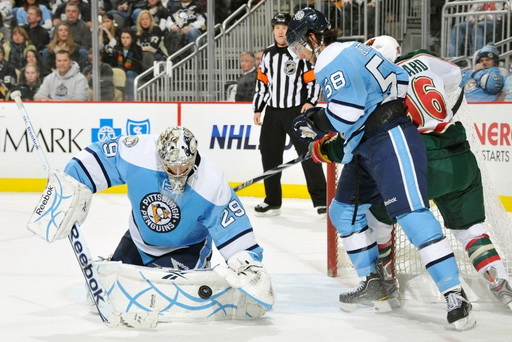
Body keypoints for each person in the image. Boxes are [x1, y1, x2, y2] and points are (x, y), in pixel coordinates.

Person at [286, 8, 475, 330]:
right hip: (369, 142)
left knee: (412, 214)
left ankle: (454, 294)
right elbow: (399, 83)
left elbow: (344, 115)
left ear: (312, 37)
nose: (298, 53)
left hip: (390, 139)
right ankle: (375, 283)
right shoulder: (358, 48)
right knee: (343, 212)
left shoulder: (329, 60)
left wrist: (312, 121)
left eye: (297, 45)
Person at [32, 126, 274, 318]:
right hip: (138, 239)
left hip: (185, 248)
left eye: (184, 167)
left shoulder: (211, 181)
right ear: (159, 156)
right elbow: (97, 159)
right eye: (171, 166)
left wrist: (247, 260)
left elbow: (232, 225)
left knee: (167, 307)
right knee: (110, 286)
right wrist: (69, 186)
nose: (178, 172)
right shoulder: (137, 152)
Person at [365, 35, 512, 311]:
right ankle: (500, 283)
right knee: (470, 230)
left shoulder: (377, 83)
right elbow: (455, 76)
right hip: (460, 156)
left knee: (377, 216)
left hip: (421, 160)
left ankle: (384, 286)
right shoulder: (422, 58)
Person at [252, 12, 326, 216]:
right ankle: (272, 200)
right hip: (273, 113)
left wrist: (310, 102)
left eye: (284, 28)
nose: (280, 31)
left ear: (290, 30)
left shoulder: (299, 52)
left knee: (308, 154)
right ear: (272, 30)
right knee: (269, 154)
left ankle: (321, 200)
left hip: (296, 112)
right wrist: (258, 108)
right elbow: (262, 83)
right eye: (277, 28)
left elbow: (312, 80)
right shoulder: (267, 54)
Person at [110, 27, 143, 101]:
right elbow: (113, 64)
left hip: (133, 73)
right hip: (120, 73)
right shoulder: (116, 48)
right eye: (123, 38)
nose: (125, 40)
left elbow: (137, 66)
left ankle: (131, 99)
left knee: (129, 73)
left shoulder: (137, 48)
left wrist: (124, 71)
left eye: (127, 38)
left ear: (132, 39)